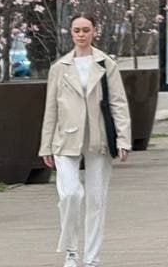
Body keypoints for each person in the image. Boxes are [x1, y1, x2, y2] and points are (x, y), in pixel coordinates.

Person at [40, 14, 131, 267]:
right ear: (70, 33)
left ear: (94, 32)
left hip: (98, 137)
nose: (81, 34)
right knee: (70, 194)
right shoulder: (59, 67)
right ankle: (71, 251)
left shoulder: (106, 64)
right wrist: (45, 144)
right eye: (76, 30)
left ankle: (91, 258)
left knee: (96, 200)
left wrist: (123, 139)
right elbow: (51, 109)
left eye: (86, 30)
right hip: (65, 138)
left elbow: (118, 103)